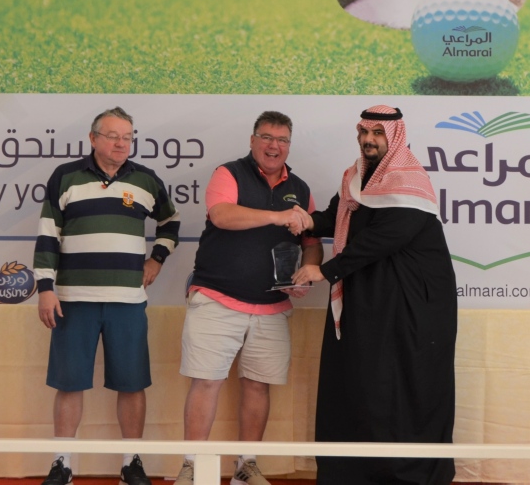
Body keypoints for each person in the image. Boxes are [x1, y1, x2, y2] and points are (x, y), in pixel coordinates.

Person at [292, 105, 458, 485]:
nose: (369, 140)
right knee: (360, 381)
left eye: (378, 133)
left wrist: (326, 270)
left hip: (412, 308)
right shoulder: (356, 177)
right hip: (369, 299)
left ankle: (407, 474)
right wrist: (307, 221)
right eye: (365, 132)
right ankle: (354, 472)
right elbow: (337, 217)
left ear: (394, 137)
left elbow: (384, 238)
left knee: (400, 384)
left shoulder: (408, 180)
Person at [174, 111, 323, 485]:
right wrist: (277, 217)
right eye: (267, 137)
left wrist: (308, 270)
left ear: (289, 145)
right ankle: (192, 466)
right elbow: (222, 215)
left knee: (258, 385)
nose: (274, 146)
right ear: (253, 140)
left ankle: (246, 466)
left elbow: (311, 239)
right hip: (217, 298)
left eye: (282, 139)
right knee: (206, 382)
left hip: (272, 306)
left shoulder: (301, 188)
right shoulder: (228, 173)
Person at [34, 107, 180, 485]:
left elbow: (171, 222)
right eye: (113, 136)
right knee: (69, 383)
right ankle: (62, 464)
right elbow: (48, 233)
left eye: (127, 137)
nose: (121, 143)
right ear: (93, 138)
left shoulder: (146, 179)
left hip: (127, 300)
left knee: (132, 383)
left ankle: (132, 464)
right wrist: (45, 289)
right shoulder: (65, 176)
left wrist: (157, 259)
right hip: (73, 299)